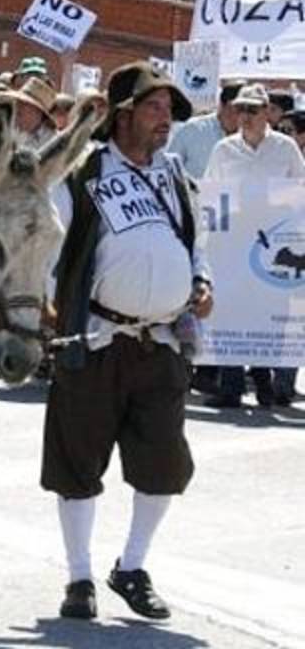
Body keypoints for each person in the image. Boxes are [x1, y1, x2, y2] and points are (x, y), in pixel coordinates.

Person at [46, 61, 213, 621]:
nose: (166, 120)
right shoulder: (83, 174)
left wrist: (201, 282)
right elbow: (50, 242)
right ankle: (78, 577)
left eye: (169, 110)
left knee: (164, 461)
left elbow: (196, 243)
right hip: (95, 338)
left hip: (161, 342)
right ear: (122, 114)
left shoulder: (174, 177)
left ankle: (132, 566)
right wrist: (48, 301)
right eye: (154, 108)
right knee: (78, 463)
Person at [203, 83, 305, 408]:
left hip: (273, 245)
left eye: (252, 110)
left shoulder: (286, 148)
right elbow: (212, 195)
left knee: (269, 311)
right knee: (230, 311)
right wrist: (211, 241)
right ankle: (231, 386)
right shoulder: (223, 149)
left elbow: (301, 192)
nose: (244, 116)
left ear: (266, 112)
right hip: (233, 243)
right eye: (240, 109)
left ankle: (264, 383)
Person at [166, 80, 244, 181]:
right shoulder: (192, 130)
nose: (239, 115)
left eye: (245, 110)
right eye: (235, 109)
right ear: (221, 105)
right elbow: (169, 168)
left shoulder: (251, 136)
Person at [0, 76, 58, 147]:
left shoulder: (53, 142)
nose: (18, 105)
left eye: (25, 103)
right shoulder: (8, 129)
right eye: (18, 101)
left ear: (38, 111)